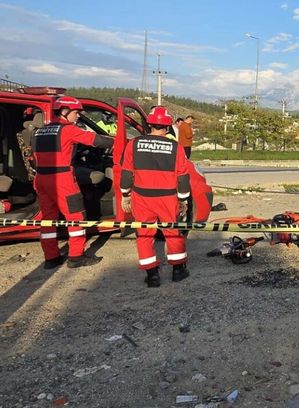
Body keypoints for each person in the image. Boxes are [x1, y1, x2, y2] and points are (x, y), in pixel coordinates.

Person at [32, 96, 114, 269]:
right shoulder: (68, 130)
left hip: (41, 179)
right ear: (64, 111)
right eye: (76, 112)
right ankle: (76, 257)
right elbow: (96, 141)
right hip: (62, 180)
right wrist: (117, 141)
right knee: (76, 217)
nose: (78, 116)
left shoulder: (38, 132)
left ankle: (51, 257)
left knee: (48, 219)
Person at [120, 106, 192, 287]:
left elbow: (127, 174)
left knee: (144, 235)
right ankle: (178, 271)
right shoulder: (176, 147)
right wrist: (183, 200)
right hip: (167, 198)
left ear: (149, 123)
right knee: (172, 233)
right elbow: (183, 177)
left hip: (142, 198)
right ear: (168, 127)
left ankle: (152, 275)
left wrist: (125, 196)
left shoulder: (134, 144)